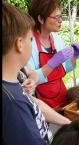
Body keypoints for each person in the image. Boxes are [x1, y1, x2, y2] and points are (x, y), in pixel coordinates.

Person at [2, 2, 52, 144]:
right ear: (19, 44)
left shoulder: (11, 82)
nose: (32, 43)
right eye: (30, 39)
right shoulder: (13, 104)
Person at [28, 0, 79, 109]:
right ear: (41, 19)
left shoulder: (57, 39)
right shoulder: (29, 42)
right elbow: (29, 80)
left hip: (61, 93)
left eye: (61, 16)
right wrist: (51, 64)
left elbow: (65, 68)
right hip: (41, 101)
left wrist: (74, 57)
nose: (60, 21)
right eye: (56, 17)